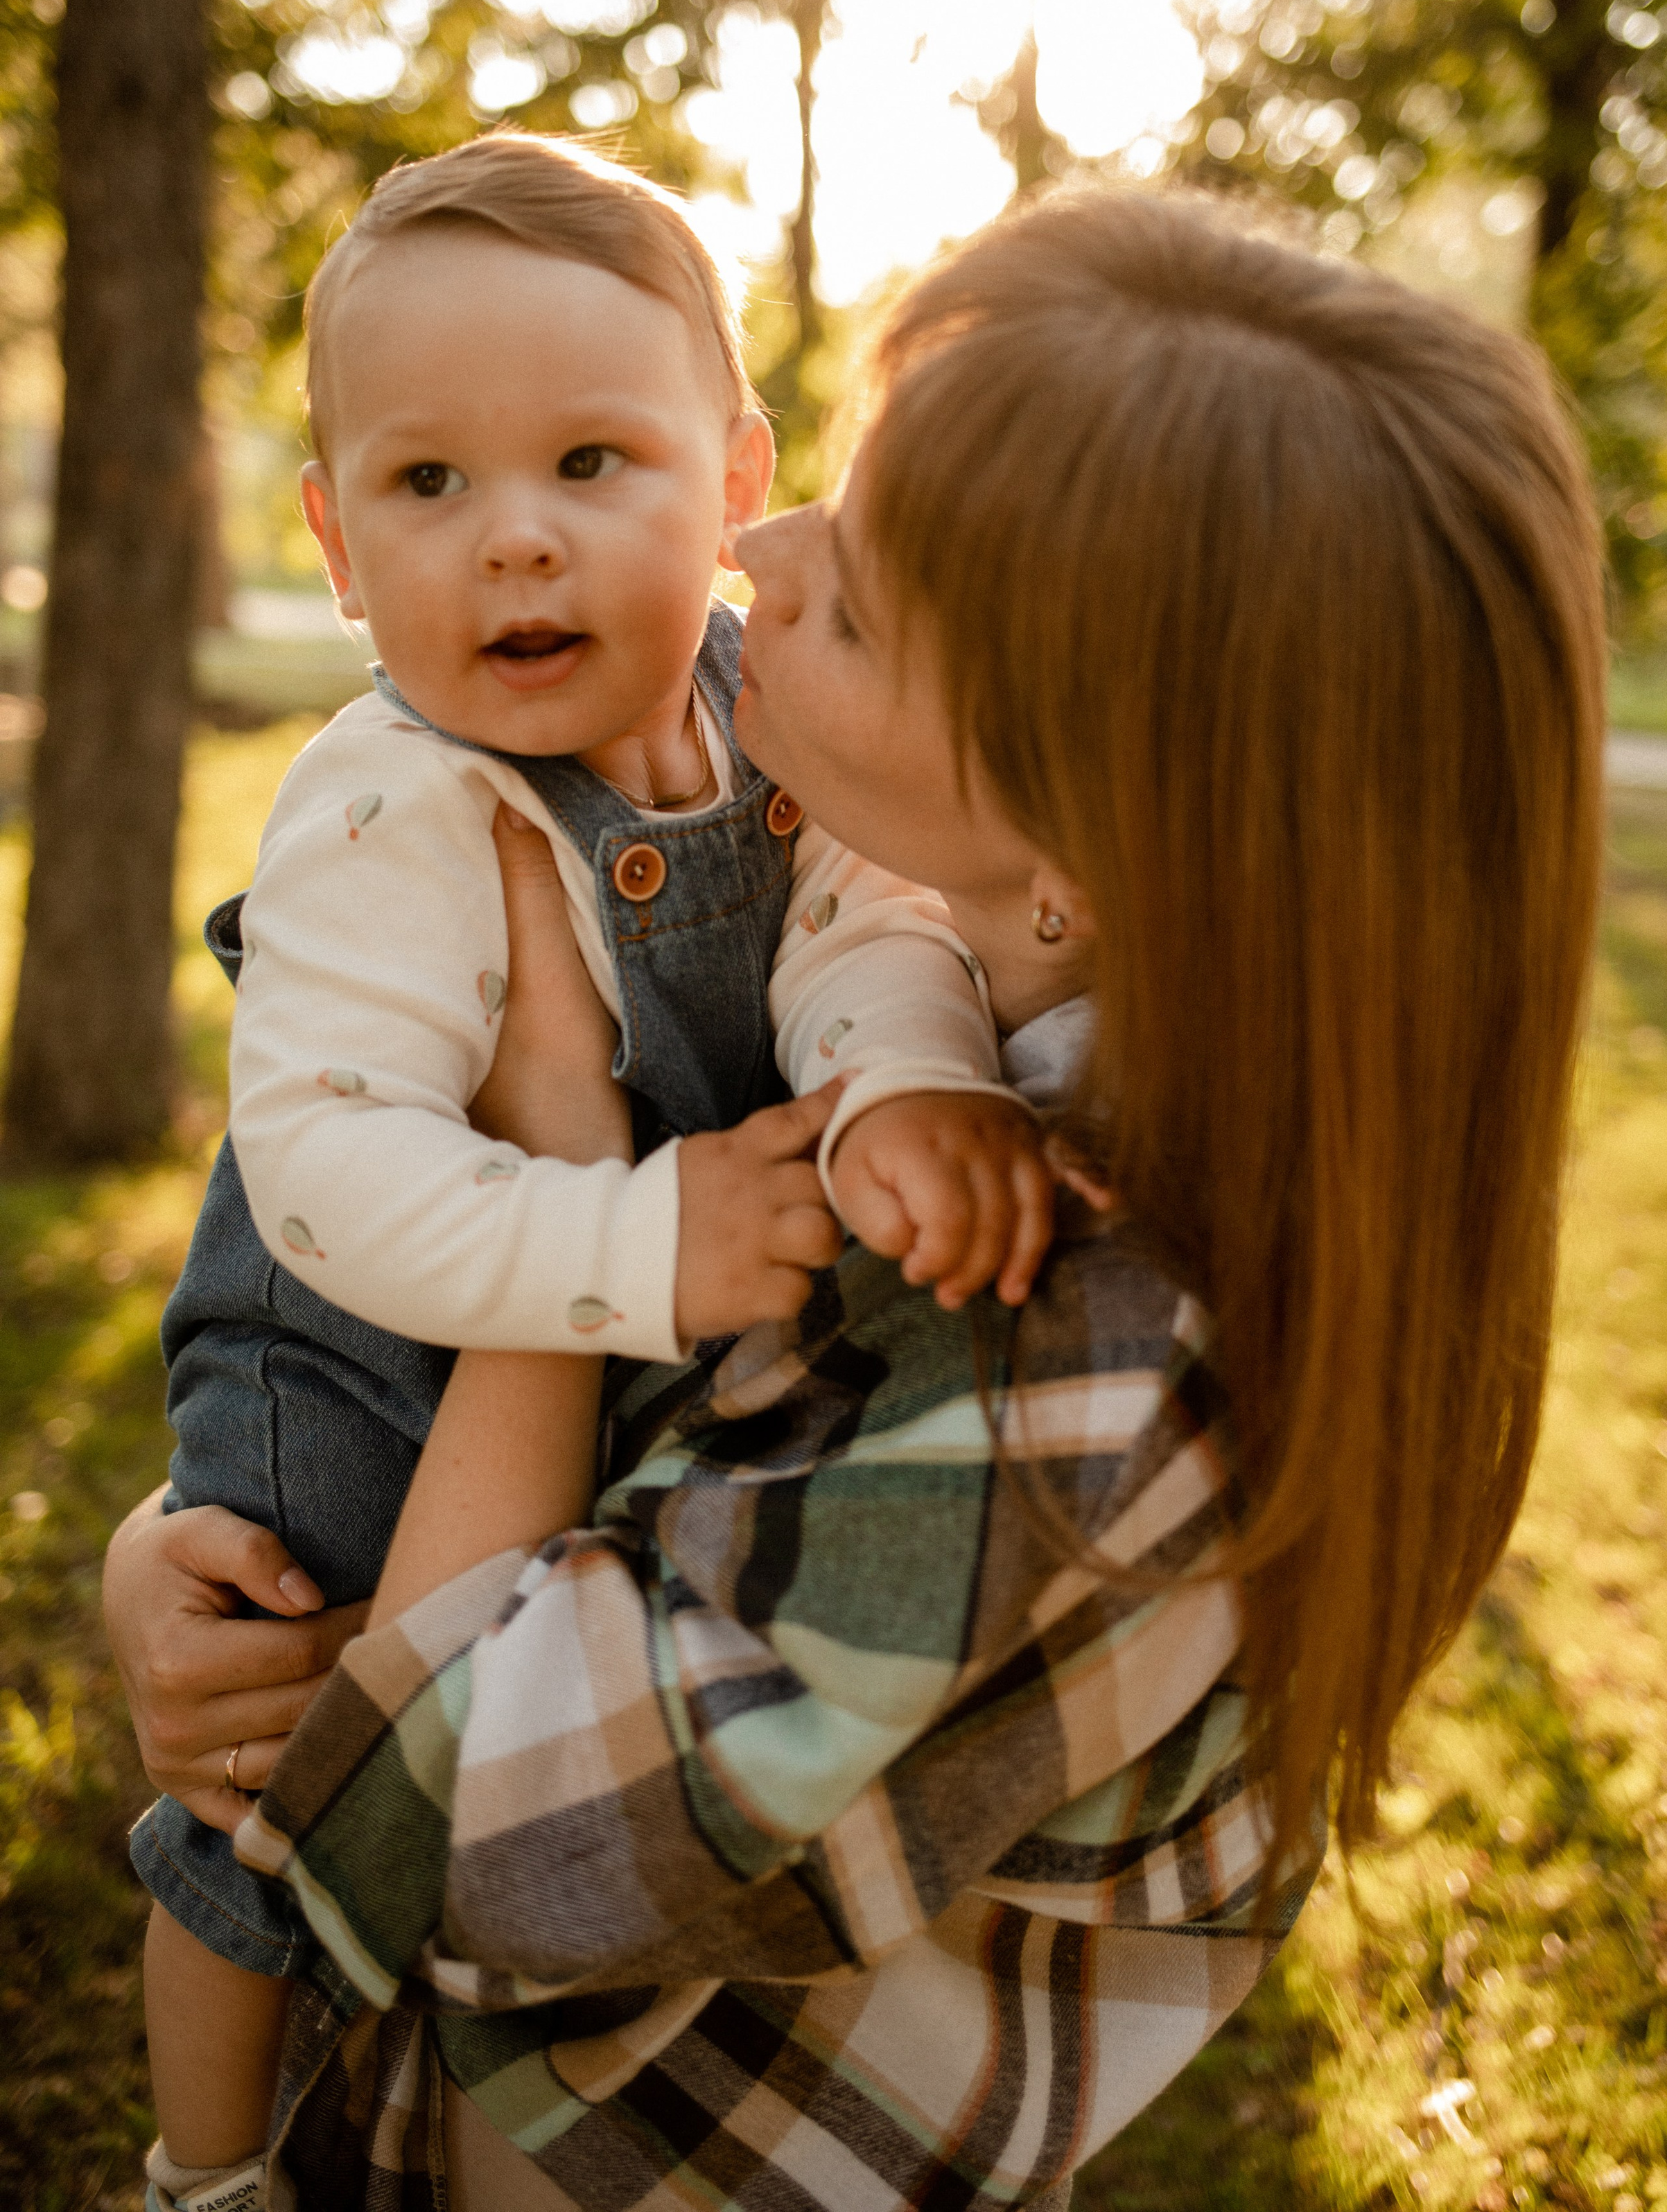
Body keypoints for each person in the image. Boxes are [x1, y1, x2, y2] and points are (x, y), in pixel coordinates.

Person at [106, 187, 1606, 2210]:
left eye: (870, 599)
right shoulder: (1005, 1064)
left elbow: (418, 1829)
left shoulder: (1057, 1338)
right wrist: (194, 1546)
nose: (762, 547)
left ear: (1084, 839)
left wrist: (566, 1147)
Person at [132, 134, 1058, 2212]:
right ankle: (201, 2171)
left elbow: (872, 929)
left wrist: (904, 1088)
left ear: (733, 478)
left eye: (589, 464)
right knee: (272, 1794)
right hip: (357, 1350)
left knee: (475, 1755)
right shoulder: (388, 805)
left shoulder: (763, 718)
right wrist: (639, 1235)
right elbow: (330, 1173)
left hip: (636, 1295)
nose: (514, 549)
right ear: (335, 541)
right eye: (428, 485)